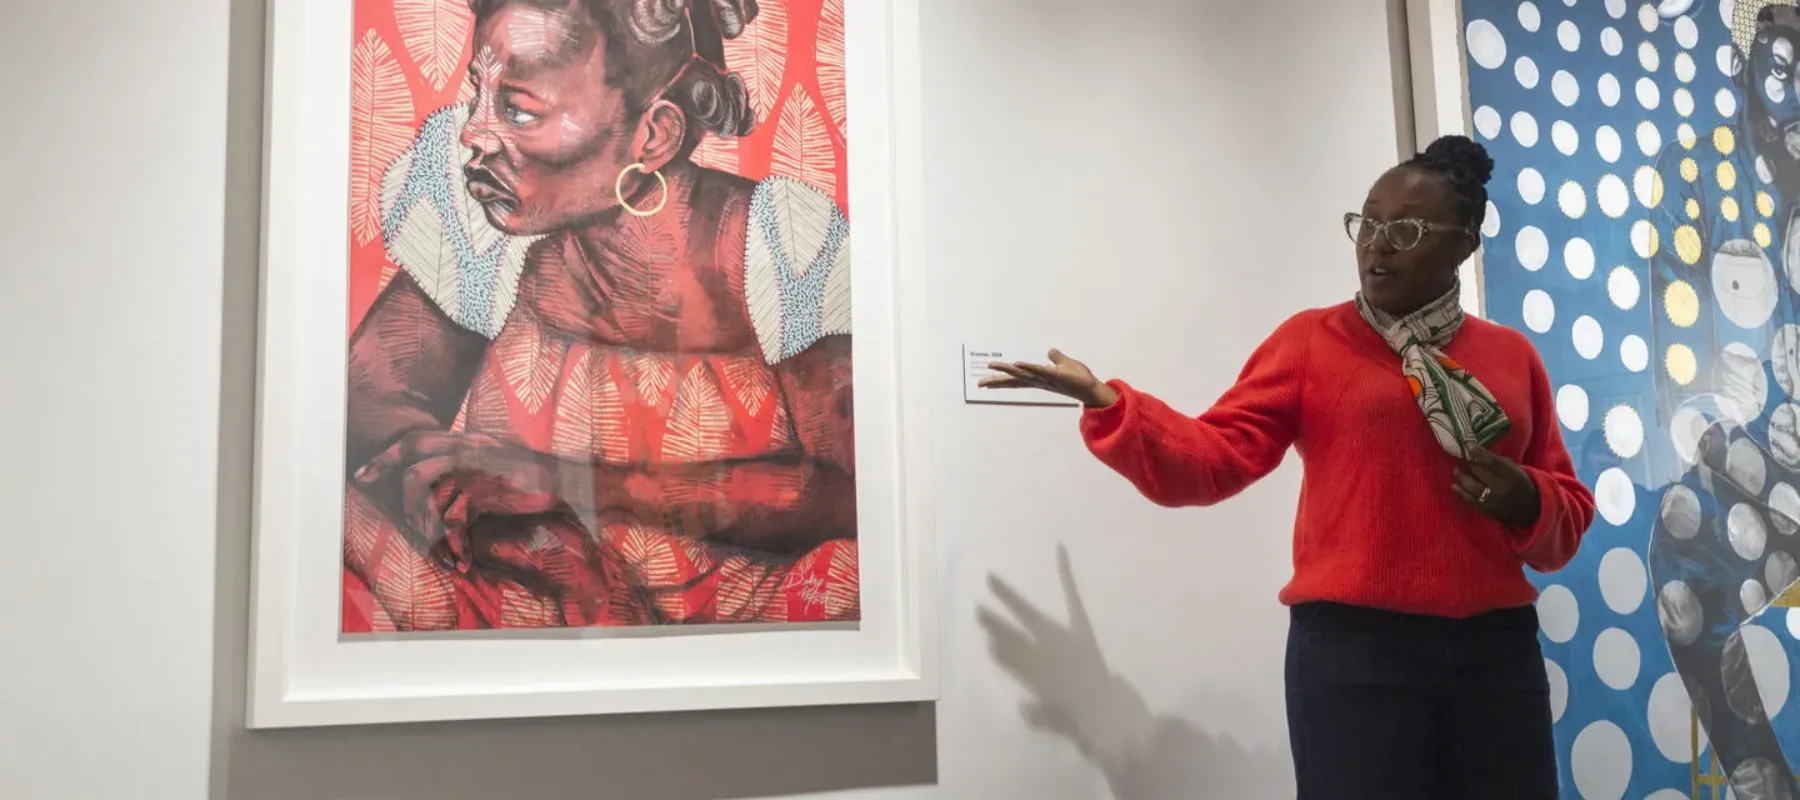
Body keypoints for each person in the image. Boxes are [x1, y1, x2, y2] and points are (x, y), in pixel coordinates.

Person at [983, 136, 1595, 799]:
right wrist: (1109, 404)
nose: (1377, 245)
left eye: (1407, 228)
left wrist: (1529, 501)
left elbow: (1566, 514)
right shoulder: (1311, 343)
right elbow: (1213, 459)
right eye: (1367, 223)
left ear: (1465, 243)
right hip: (1357, 654)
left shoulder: (1511, 357)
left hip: (1496, 654)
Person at [340, 0, 858, 630]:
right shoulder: (482, 222)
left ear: (654, 135)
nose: (473, 133)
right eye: (478, 93)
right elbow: (363, 410)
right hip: (531, 606)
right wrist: (552, 545)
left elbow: (845, 491)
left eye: (519, 109)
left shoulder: (778, 247)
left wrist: (565, 487)